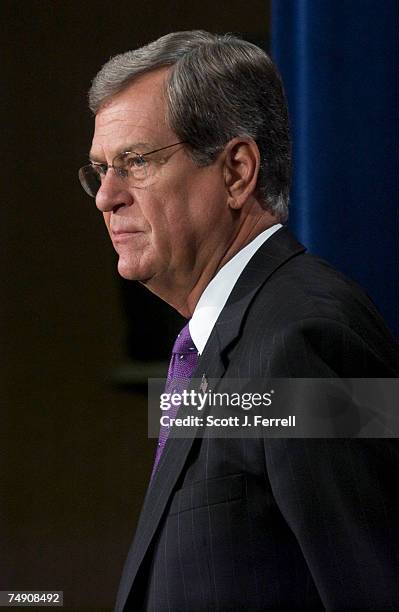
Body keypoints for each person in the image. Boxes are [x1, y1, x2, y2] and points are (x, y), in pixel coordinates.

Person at [79, 31, 399, 611]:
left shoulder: (305, 339)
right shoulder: (219, 343)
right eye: (100, 169)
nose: (106, 197)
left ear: (236, 172)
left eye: (134, 161)